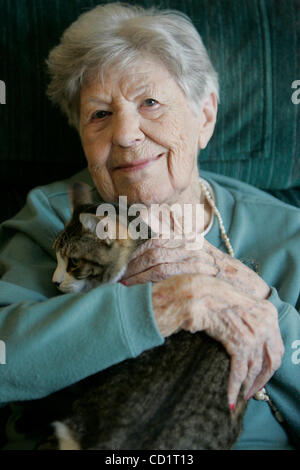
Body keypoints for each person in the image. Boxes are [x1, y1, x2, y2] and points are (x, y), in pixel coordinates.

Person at [0, 3, 299, 450]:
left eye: (150, 103)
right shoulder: (53, 214)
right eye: (99, 114)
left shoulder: (288, 233)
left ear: (205, 117)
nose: (124, 134)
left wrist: (263, 304)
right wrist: (162, 306)